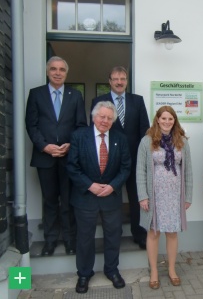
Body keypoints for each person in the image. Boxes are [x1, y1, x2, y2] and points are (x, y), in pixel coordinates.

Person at [25, 56, 87, 256]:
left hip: (69, 158)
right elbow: (31, 125)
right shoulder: (36, 94)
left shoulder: (75, 95)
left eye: (61, 69)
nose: (57, 72)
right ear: (47, 71)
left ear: (66, 73)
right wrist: (45, 146)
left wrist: (71, 145)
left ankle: (70, 241)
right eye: (53, 69)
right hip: (46, 157)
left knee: (69, 201)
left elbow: (80, 126)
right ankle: (50, 241)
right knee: (50, 201)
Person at [67, 101, 131, 294]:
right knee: (85, 237)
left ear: (113, 121)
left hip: (110, 196)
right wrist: (90, 185)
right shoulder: (79, 136)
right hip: (86, 196)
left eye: (109, 118)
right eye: (102, 116)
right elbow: (72, 166)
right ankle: (84, 274)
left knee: (113, 236)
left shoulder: (120, 138)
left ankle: (112, 270)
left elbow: (126, 167)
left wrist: (112, 186)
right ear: (94, 117)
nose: (105, 121)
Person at [90, 66, 150, 249]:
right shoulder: (99, 101)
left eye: (122, 79)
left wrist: (144, 158)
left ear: (126, 81)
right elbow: (93, 130)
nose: (119, 82)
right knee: (111, 198)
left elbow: (144, 130)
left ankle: (139, 235)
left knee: (136, 198)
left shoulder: (137, 101)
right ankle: (114, 234)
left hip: (134, 159)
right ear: (109, 81)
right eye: (115, 79)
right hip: (108, 160)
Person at [136, 106, 193, 289]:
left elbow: (189, 171)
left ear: (174, 121)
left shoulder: (182, 141)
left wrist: (188, 196)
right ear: (158, 120)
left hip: (175, 196)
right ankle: (153, 271)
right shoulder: (147, 141)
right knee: (153, 232)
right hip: (154, 196)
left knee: (172, 232)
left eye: (171, 119)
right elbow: (140, 171)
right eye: (164, 118)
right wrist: (143, 196)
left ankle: (171, 269)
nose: (167, 122)